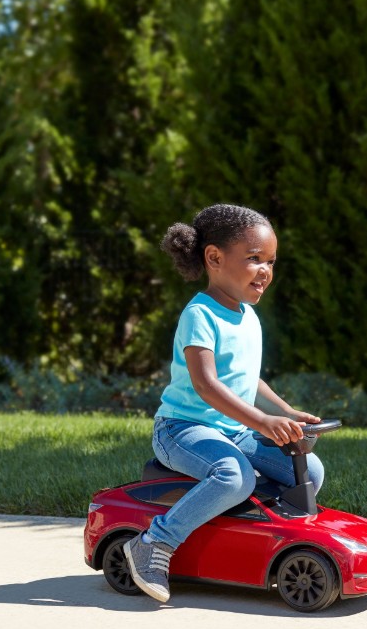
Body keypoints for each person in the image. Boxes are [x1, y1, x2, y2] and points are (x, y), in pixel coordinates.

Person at [125, 204, 324, 603]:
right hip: (182, 430)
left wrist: (284, 411)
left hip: (231, 429)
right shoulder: (199, 314)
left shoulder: (248, 315)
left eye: (270, 261)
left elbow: (247, 377)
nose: (265, 270)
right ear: (214, 258)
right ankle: (153, 543)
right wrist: (263, 422)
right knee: (235, 477)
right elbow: (207, 385)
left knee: (309, 470)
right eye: (254, 259)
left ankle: (244, 532)